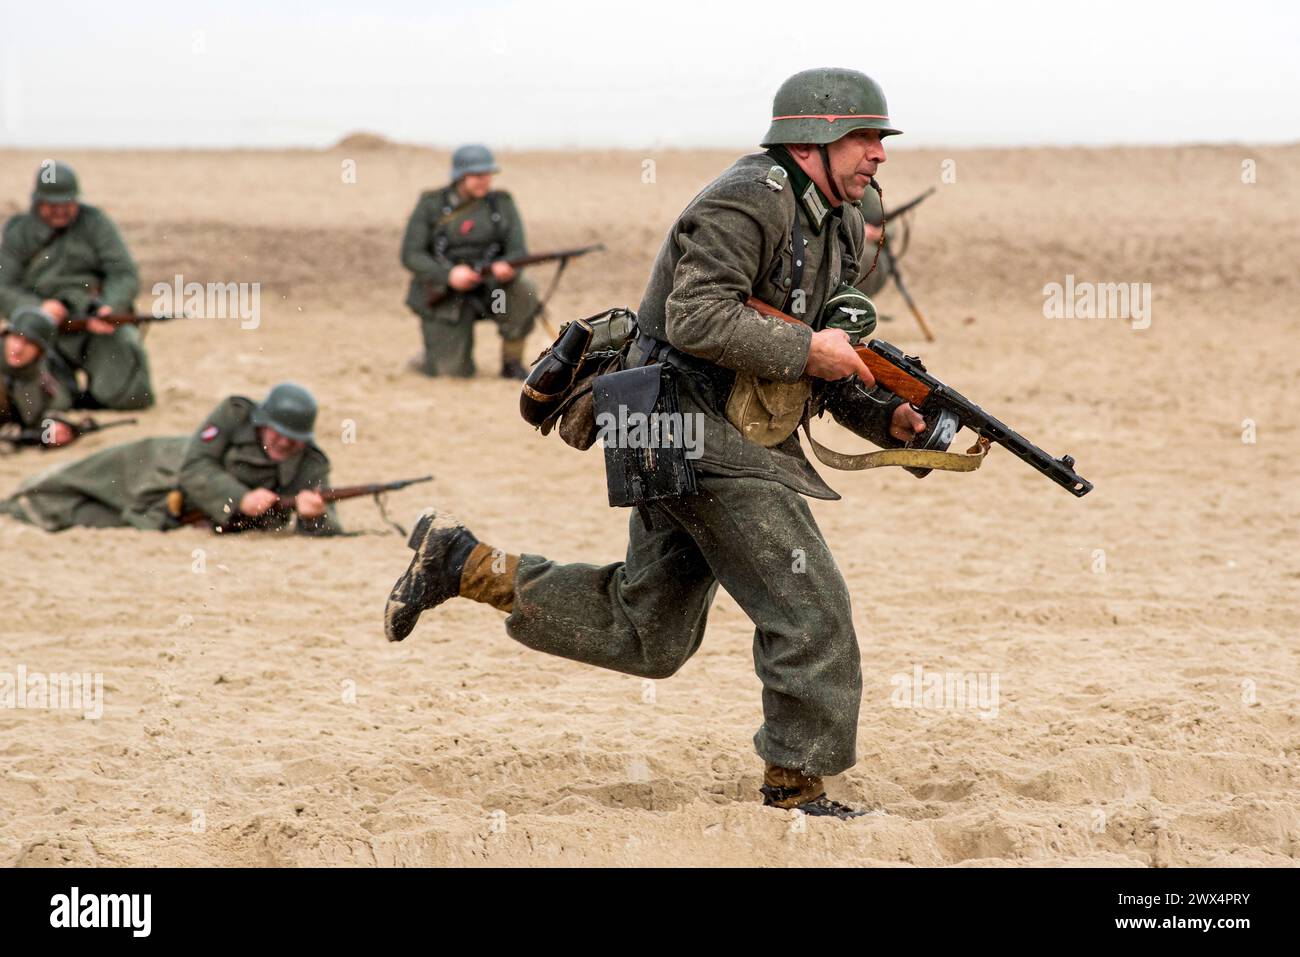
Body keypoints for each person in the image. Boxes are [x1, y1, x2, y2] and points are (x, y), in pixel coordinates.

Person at [383, 69, 930, 820]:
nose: (879, 155)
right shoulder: (748, 199)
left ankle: (464, 563)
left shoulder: (840, 218)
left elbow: (825, 345)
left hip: (714, 427)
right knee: (811, 609)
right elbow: (700, 317)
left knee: (648, 632)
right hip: (680, 420)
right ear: (813, 141)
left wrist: (886, 417)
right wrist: (811, 353)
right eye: (866, 138)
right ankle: (796, 786)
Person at [0, 382, 340, 534]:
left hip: (174, 510)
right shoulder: (234, 414)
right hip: (160, 463)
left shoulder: (311, 464)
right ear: (262, 423)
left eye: (292, 440)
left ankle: (23, 510)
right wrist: (240, 497)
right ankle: (16, 499)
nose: (282, 443)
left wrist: (314, 517)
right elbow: (196, 464)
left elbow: (329, 528)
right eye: (276, 433)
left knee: (91, 515)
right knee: (71, 479)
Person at [0, 161, 154, 410]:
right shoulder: (20, 232)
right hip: (40, 330)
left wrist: (108, 307)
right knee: (46, 402)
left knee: (129, 394)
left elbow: (124, 274)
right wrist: (38, 309)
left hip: (91, 322)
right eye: (52, 205)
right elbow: (4, 287)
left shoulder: (96, 223)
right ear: (38, 202)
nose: (60, 210)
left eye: (66, 204)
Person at [400, 144, 541, 379]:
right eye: (476, 175)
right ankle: (430, 355)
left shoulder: (502, 204)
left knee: (524, 287)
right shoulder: (431, 205)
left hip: (492, 289)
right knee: (452, 373)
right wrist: (449, 275)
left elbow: (518, 251)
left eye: (487, 175)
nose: (484, 180)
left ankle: (512, 361)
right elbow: (411, 254)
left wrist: (505, 267)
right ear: (460, 176)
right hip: (446, 293)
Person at [0, 306, 76, 447]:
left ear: (40, 352)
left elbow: (54, 409)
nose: (18, 348)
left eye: (29, 343)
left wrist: (52, 430)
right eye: (16, 338)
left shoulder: (43, 376)